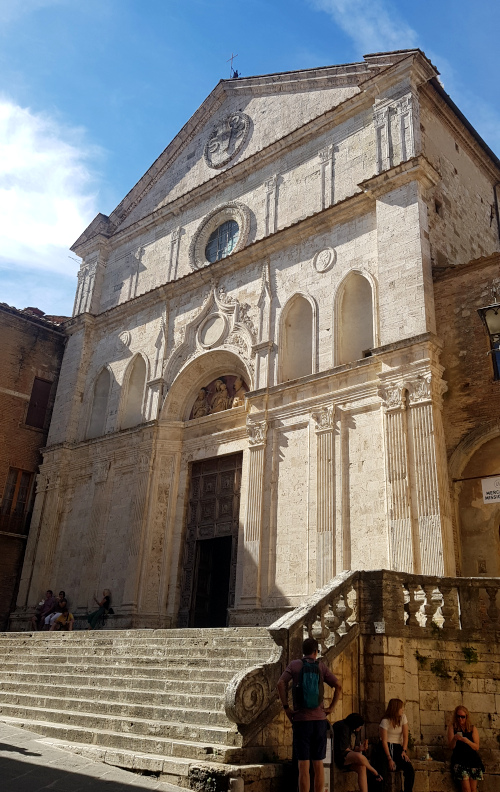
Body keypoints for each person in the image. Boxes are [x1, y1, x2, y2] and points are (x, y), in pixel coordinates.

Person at [277, 637, 341, 792]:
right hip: (319, 721)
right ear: (316, 651)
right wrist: (331, 708)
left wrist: (287, 708)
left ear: (303, 651)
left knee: (303, 765)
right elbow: (338, 685)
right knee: (318, 764)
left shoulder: (295, 665)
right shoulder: (321, 667)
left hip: (300, 720)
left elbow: (280, 683)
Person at [333, 713, 383, 792]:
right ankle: (374, 772)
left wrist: (360, 748)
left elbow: (353, 748)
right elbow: (345, 749)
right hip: (340, 756)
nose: (360, 728)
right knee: (359, 757)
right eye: (360, 726)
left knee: (362, 767)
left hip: (348, 757)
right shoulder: (344, 728)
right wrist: (356, 753)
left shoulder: (354, 731)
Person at [379, 698, 414, 791]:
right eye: (401, 708)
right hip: (386, 748)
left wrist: (404, 751)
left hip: (398, 747)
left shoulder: (403, 718)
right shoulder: (385, 721)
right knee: (382, 771)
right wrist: (389, 758)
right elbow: (384, 741)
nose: (402, 710)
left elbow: (405, 736)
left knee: (409, 769)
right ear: (395, 708)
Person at [447, 705, 484, 791]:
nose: (460, 719)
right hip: (459, 760)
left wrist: (467, 741)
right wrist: (454, 739)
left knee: (473, 789)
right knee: (466, 789)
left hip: (473, 760)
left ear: (466, 717)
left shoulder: (472, 728)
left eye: (463, 717)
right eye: (458, 716)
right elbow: (451, 746)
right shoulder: (453, 728)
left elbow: (476, 747)